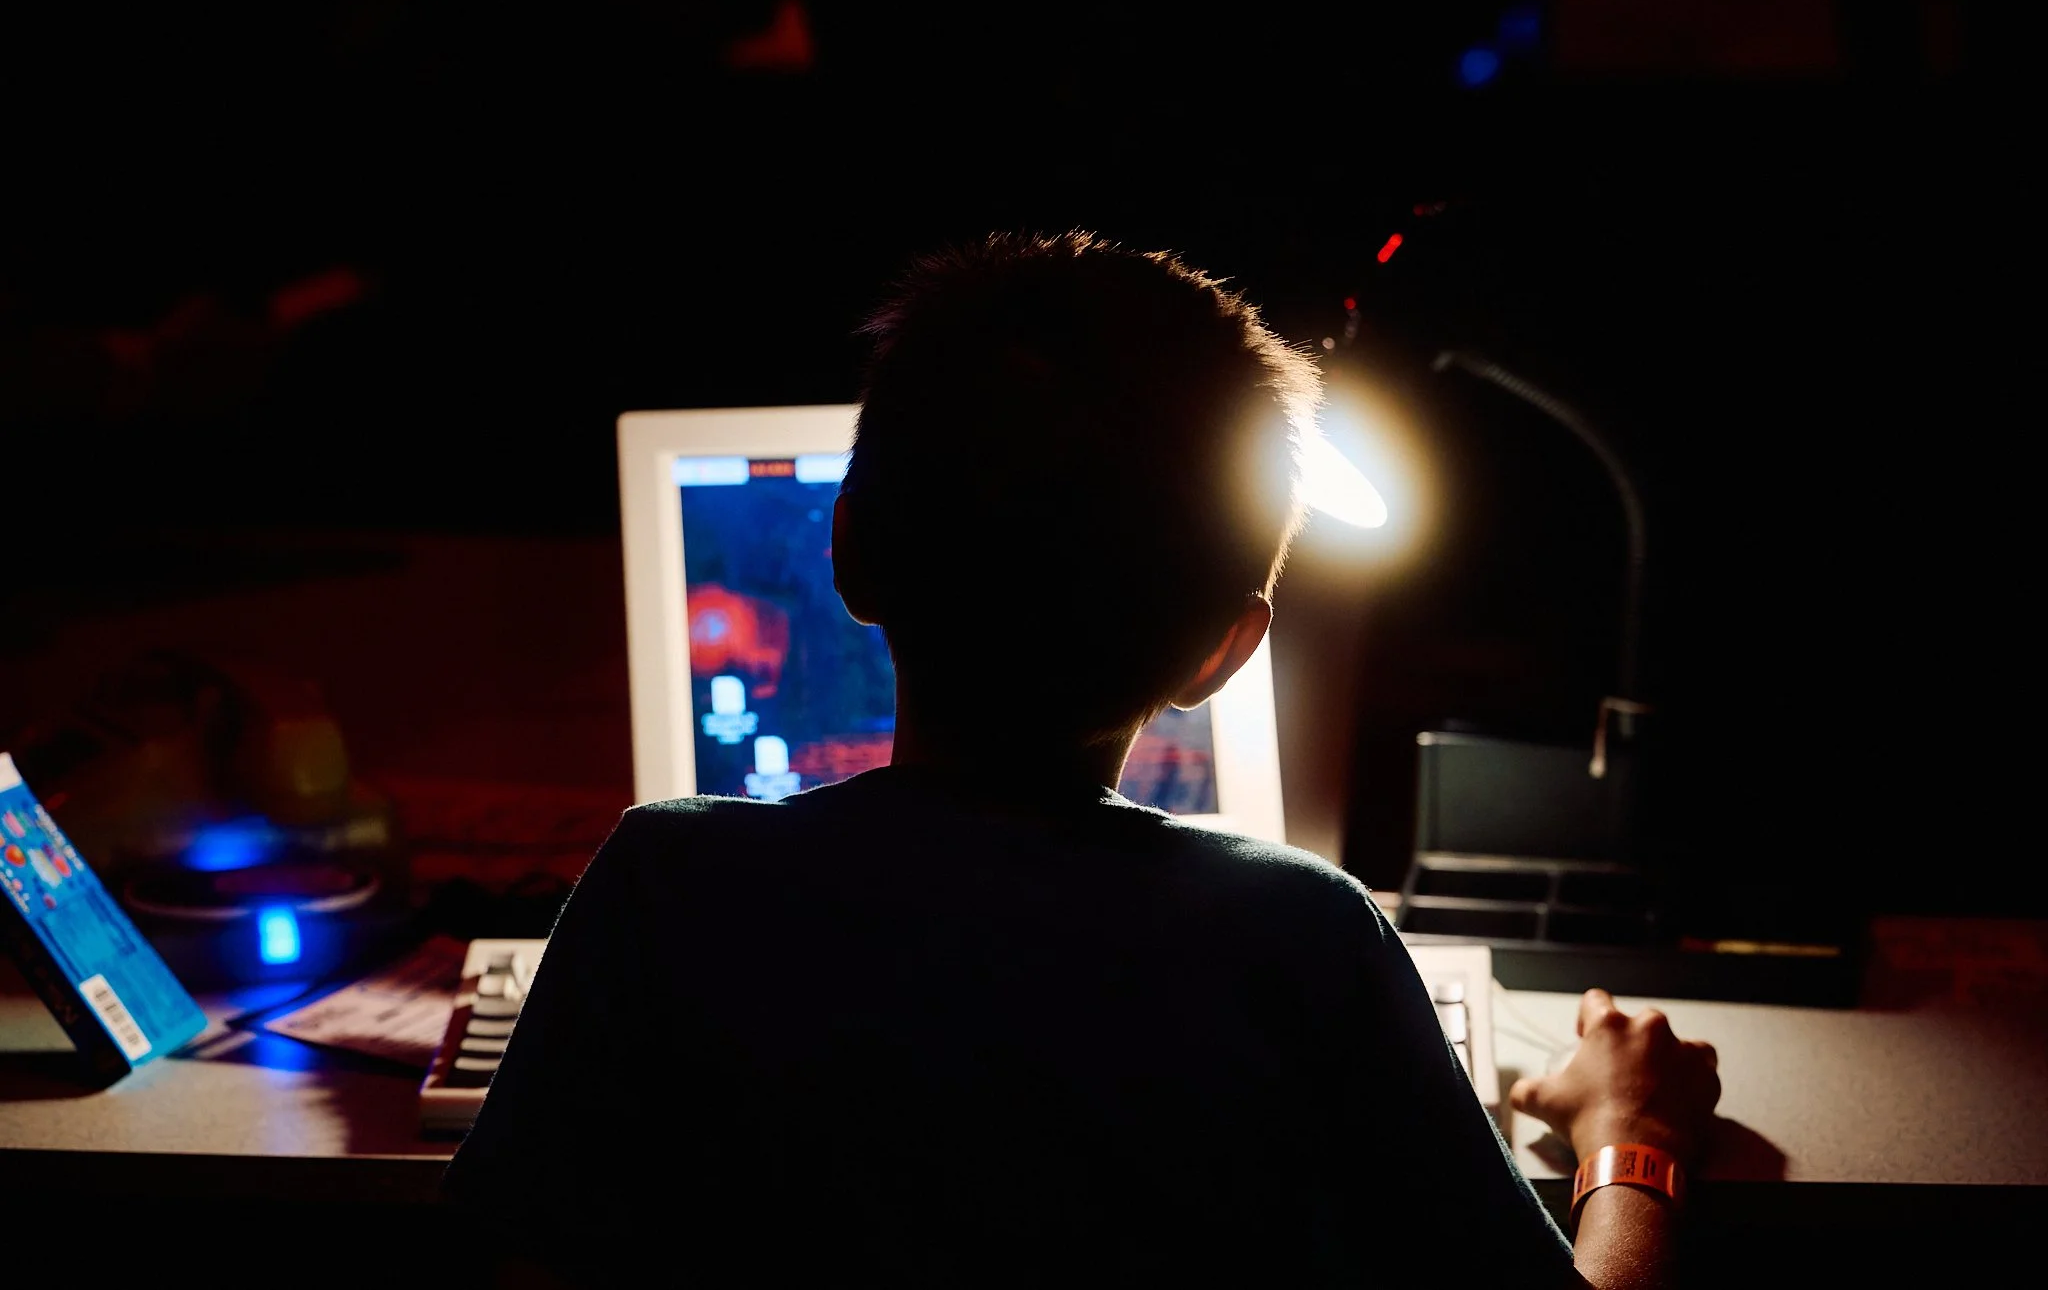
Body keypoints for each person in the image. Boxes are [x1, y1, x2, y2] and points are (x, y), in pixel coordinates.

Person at [443, 231, 1721, 1287]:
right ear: (1224, 652)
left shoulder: (664, 889)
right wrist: (1636, 1137)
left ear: (849, 553)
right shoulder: (1297, 939)